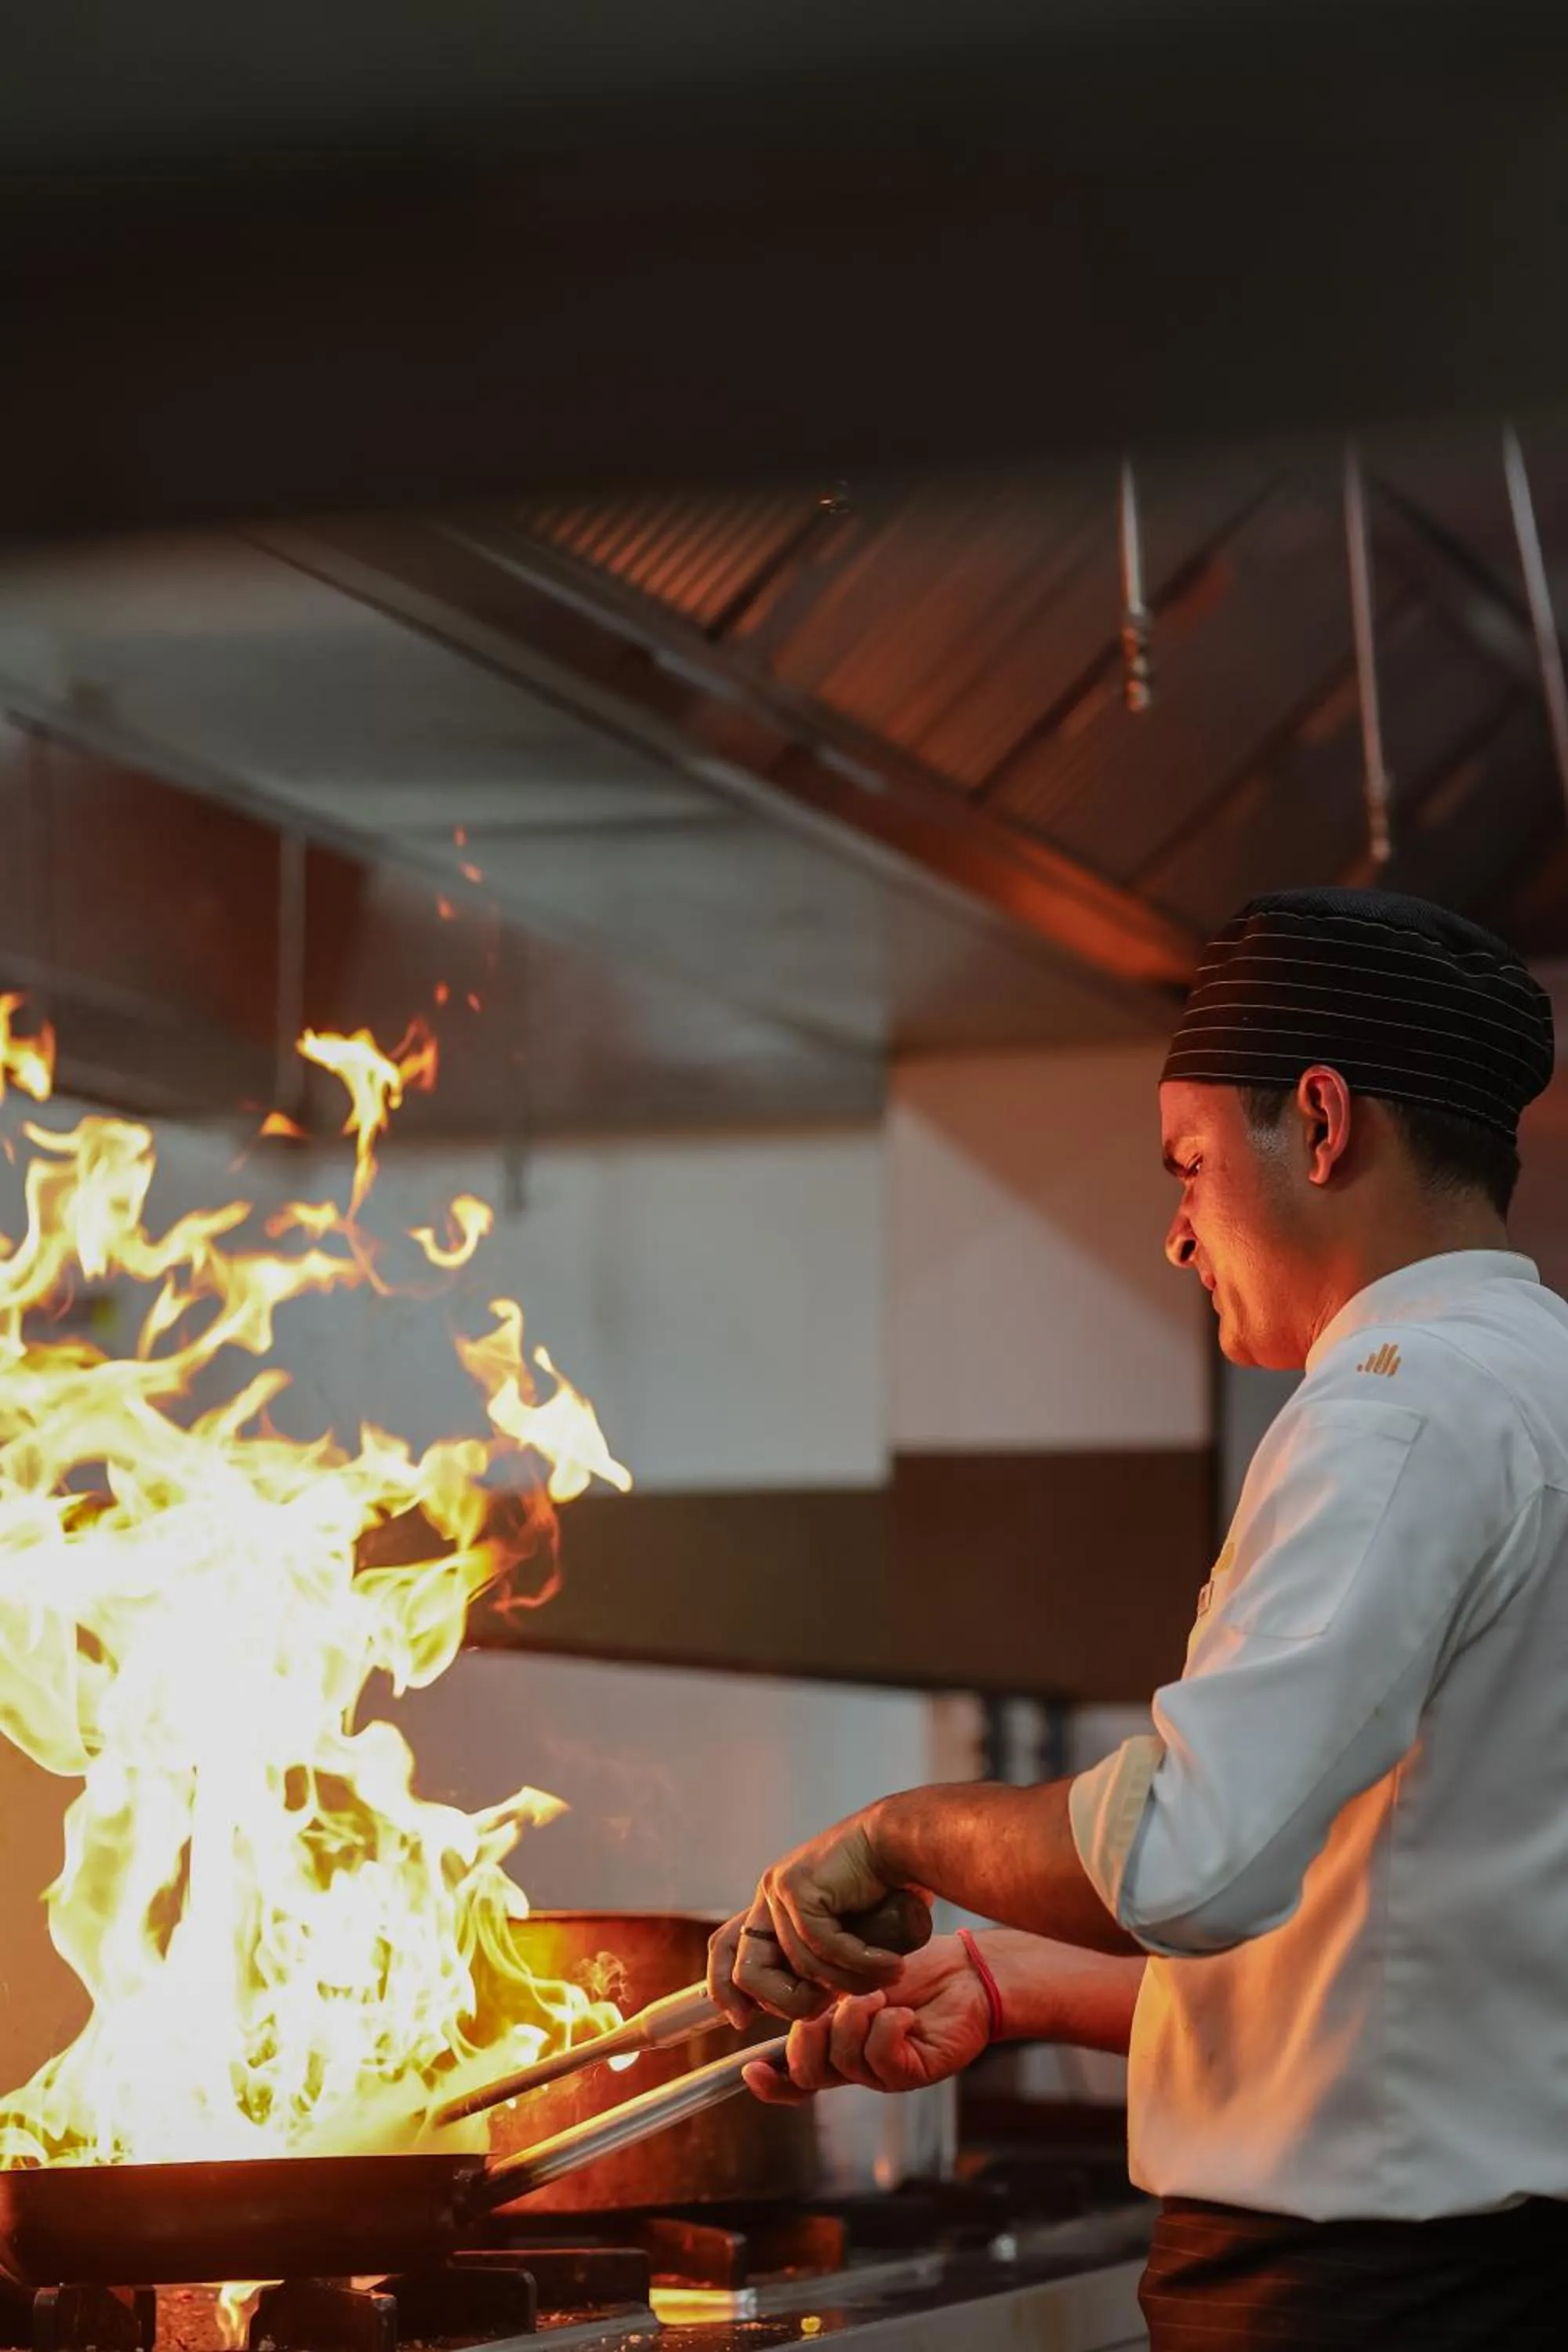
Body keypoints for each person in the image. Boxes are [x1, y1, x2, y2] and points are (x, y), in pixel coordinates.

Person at [708, 886, 1567, 2350]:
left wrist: (899, 1833)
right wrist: (1015, 1984)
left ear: (1320, 1121)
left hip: (1364, 2298)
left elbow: (1188, 1856)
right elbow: (1416, 1947)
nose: (1177, 1235)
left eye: (1190, 1165)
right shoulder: (1534, 1379)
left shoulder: (1398, 1407)